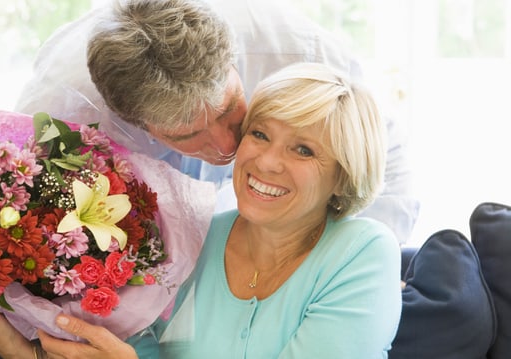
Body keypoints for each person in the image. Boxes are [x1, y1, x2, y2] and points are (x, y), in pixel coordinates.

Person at [0, 0, 416, 357]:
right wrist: (13, 343)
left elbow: (378, 148)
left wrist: (342, 245)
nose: (232, 147)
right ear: (137, 124)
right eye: (190, 134)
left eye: (233, 111)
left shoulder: (289, 45)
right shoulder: (71, 116)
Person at [37, 62, 402, 358]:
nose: (267, 162)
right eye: (259, 134)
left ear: (343, 176)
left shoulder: (363, 251)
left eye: (303, 150)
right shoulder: (189, 239)